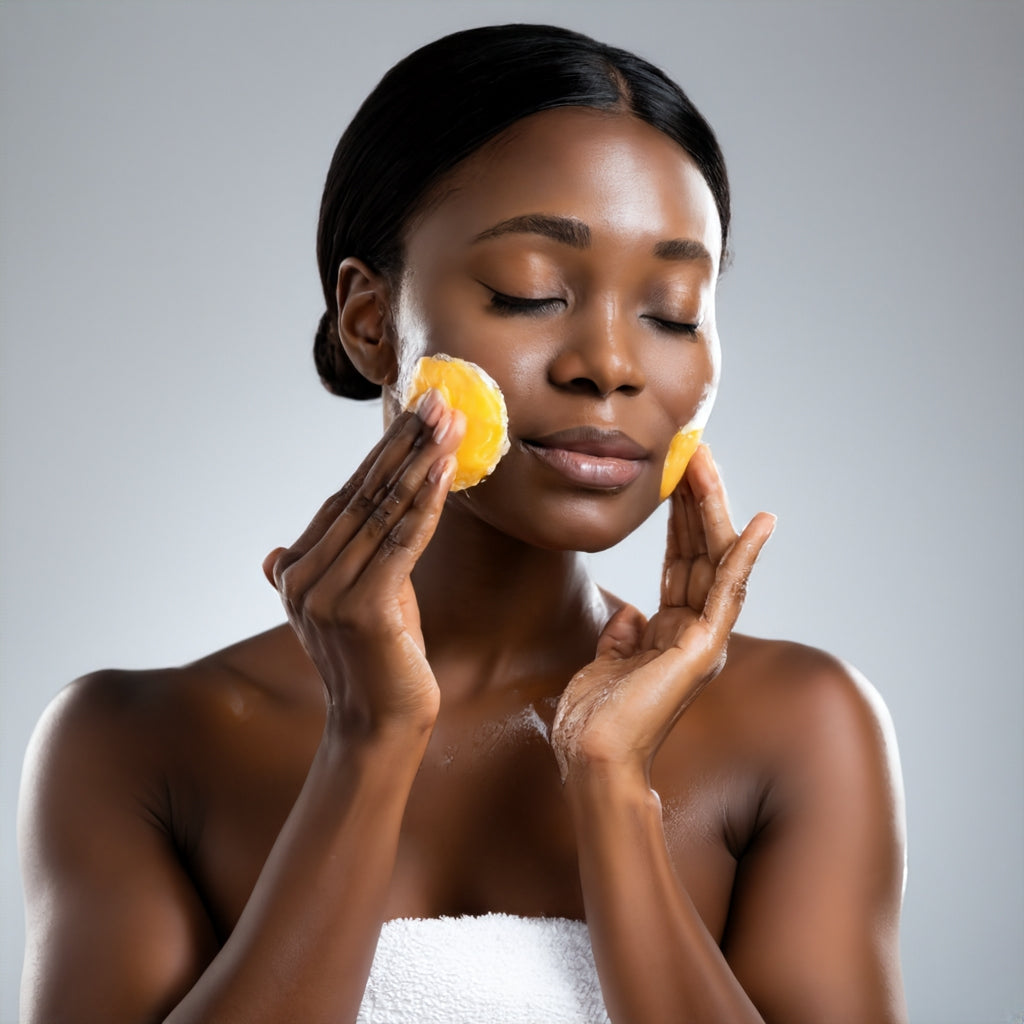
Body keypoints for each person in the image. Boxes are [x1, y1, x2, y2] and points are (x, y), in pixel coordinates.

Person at [18, 23, 907, 1024]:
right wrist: (367, 739)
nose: (609, 364)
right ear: (369, 323)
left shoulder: (800, 723)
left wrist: (613, 789)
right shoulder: (133, 743)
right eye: (529, 292)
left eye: (671, 308)